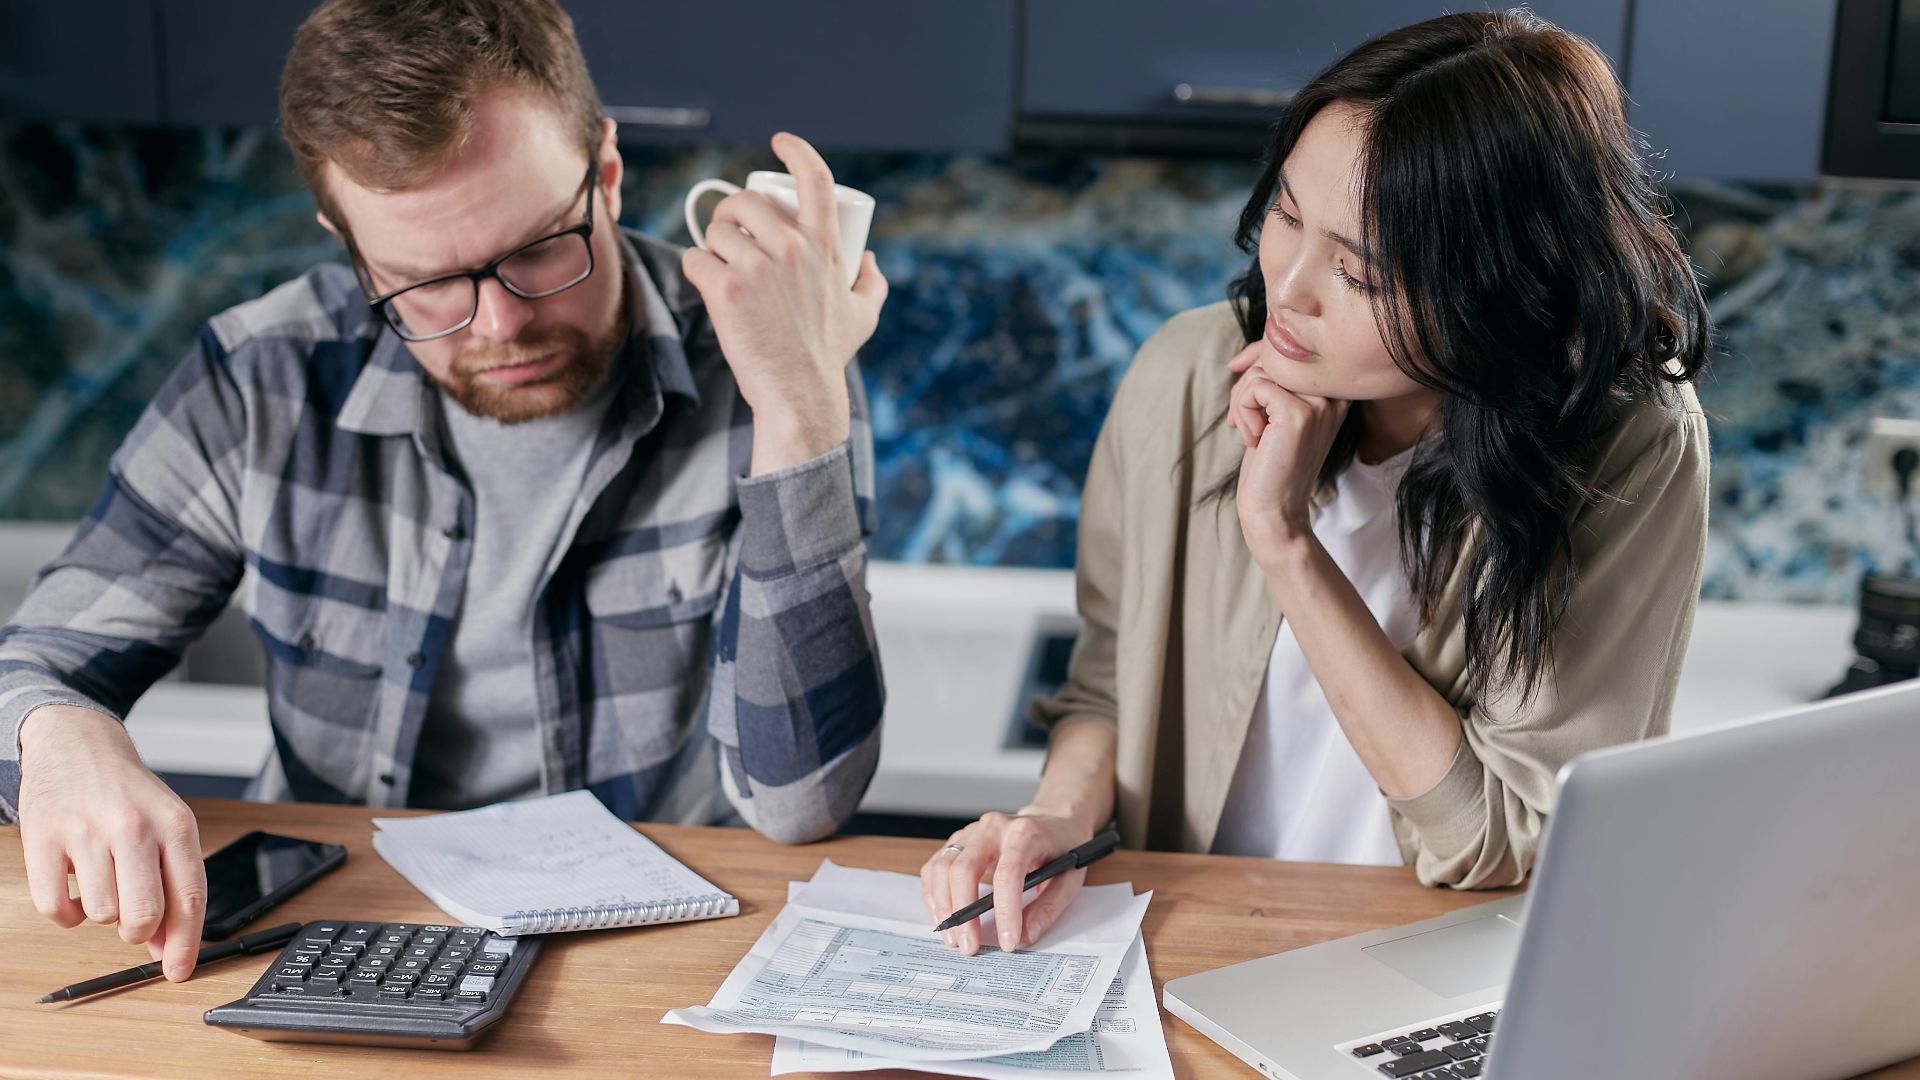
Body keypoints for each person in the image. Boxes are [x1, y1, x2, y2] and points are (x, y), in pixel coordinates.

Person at [0, 0, 888, 983]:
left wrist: (799, 407)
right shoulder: (261, 377)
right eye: (422, 283)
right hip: (331, 940)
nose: (500, 325)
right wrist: (58, 735)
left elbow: (801, 801)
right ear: (345, 239)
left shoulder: (772, 354)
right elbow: (34, 664)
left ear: (605, 171)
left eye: (539, 248)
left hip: (647, 955)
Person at [922, 9, 1711, 956]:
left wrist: (1284, 540)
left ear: (1495, 288)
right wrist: (1054, 818)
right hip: (1195, 942)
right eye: (1287, 215)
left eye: (1358, 272)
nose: (1288, 289)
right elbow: (1110, 684)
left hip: (1435, 967)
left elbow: (1498, 837)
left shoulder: (1626, 446)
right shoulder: (1188, 375)